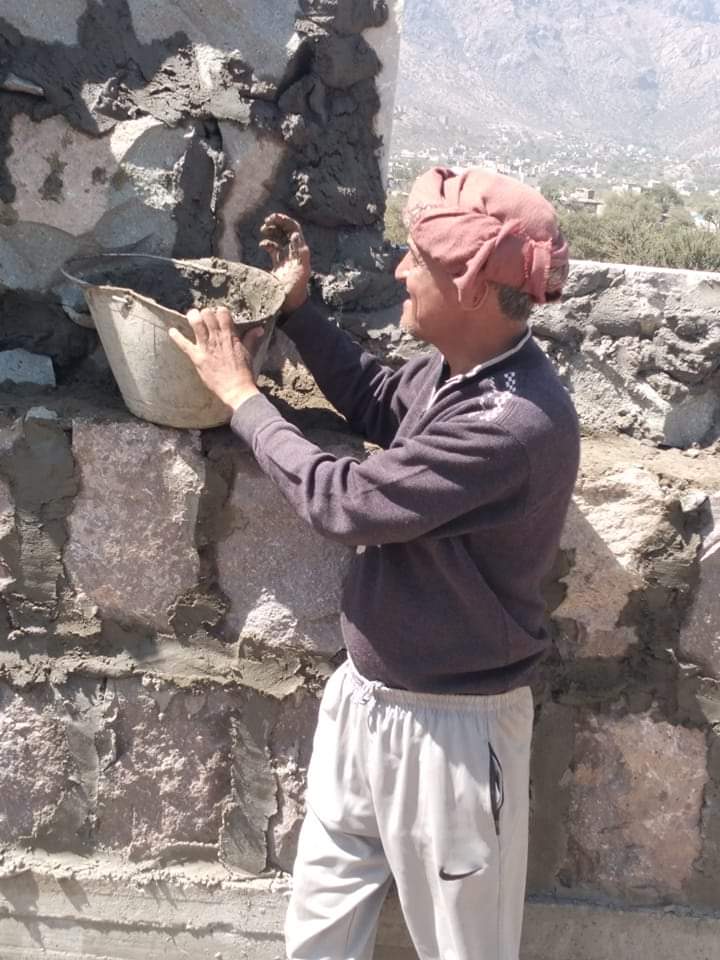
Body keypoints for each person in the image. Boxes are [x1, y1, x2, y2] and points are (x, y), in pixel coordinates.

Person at [170, 167, 580, 960]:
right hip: (366, 700)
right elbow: (378, 398)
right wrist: (299, 312)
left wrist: (243, 398)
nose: (398, 270)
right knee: (318, 939)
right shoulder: (458, 372)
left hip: (452, 735)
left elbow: (345, 502)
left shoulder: (514, 423)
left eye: (417, 258)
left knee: (465, 950)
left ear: (468, 286)